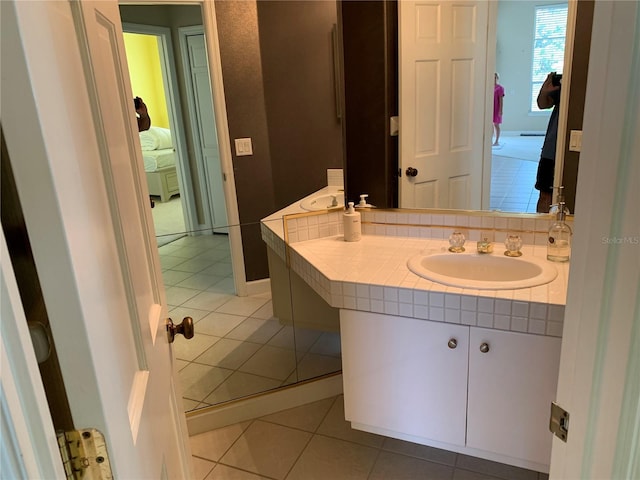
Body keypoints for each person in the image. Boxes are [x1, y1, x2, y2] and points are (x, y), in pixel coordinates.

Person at [535, 72, 561, 213]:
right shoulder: (560, 85)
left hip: (571, 149)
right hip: (551, 150)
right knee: (545, 194)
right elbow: (542, 104)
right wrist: (544, 91)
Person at [493, 73, 504, 146]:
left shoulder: (500, 88)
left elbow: (501, 100)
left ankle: (496, 141)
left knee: (496, 124)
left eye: (495, 77)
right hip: (490, 108)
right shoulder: (488, 87)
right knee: (489, 125)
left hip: (496, 109)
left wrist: (500, 110)